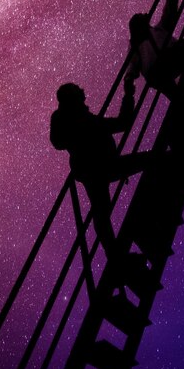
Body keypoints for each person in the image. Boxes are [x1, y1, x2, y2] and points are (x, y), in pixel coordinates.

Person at [50, 81, 150, 270]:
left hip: (92, 170)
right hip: (100, 168)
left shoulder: (76, 119)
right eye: (79, 95)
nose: (83, 96)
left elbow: (58, 142)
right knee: (102, 211)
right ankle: (116, 257)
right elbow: (123, 123)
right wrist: (128, 95)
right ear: (74, 100)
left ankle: (115, 257)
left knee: (101, 211)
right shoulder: (82, 120)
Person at [124, 0, 184, 100]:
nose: (145, 15)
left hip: (156, 73)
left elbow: (169, 12)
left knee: (173, 91)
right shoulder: (136, 43)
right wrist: (128, 79)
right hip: (162, 65)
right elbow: (132, 65)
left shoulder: (154, 32)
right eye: (141, 16)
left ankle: (180, 98)